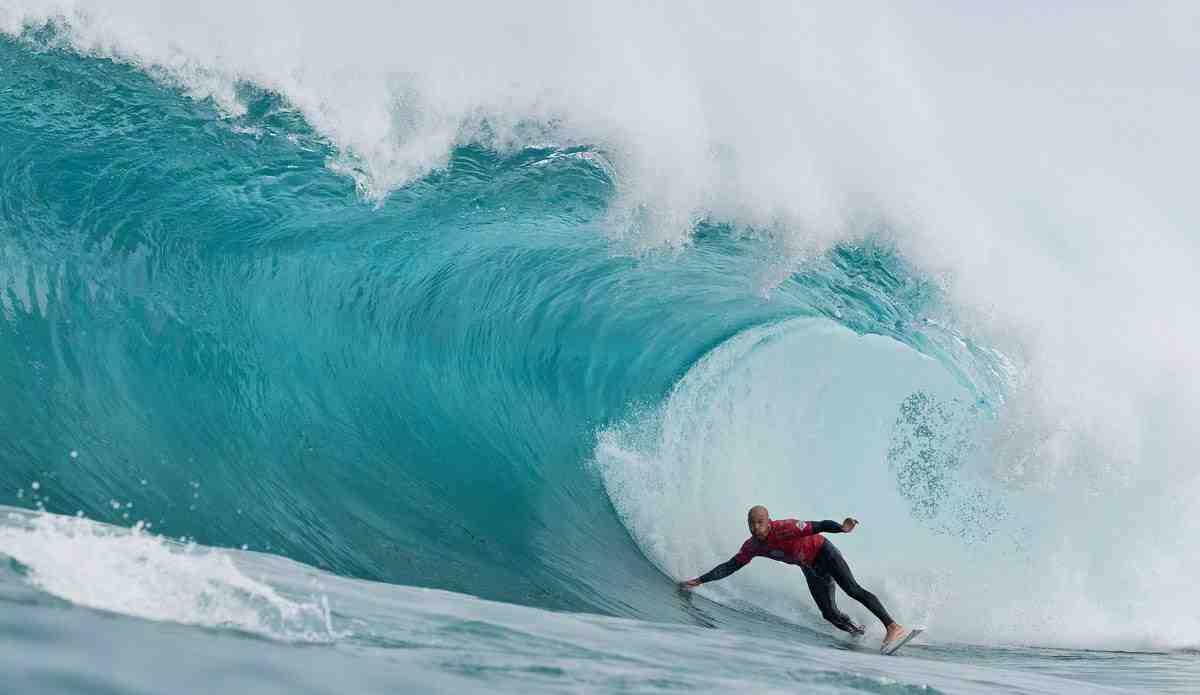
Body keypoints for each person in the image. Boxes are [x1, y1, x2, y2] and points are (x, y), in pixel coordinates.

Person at [679, 505, 908, 649]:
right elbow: (731, 566)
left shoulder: (787, 527)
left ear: (769, 521)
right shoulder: (752, 546)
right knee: (828, 613)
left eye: (759, 522)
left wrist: (842, 528)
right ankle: (859, 634)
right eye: (751, 523)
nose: (755, 527)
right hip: (809, 566)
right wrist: (701, 580)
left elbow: (819, 525)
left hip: (824, 553)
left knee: (852, 589)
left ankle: (892, 626)